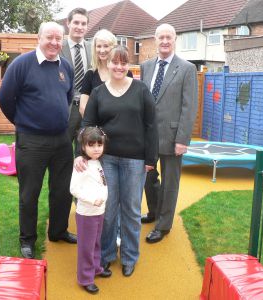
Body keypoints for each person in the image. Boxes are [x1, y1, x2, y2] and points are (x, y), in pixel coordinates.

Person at [75, 45, 158, 277]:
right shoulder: (99, 93)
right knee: (108, 210)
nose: (119, 67)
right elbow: (87, 125)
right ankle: (107, 255)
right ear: (107, 64)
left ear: (128, 64)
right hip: (107, 160)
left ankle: (130, 256)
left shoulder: (141, 90)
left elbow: (152, 125)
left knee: (131, 210)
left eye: (123, 63)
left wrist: (151, 158)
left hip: (135, 160)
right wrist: (80, 154)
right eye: (115, 62)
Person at [0, 21, 77, 260]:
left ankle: (58, 230)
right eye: (49, 37)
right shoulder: (22, 64)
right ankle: (27, 240)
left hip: (62, 140)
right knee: (29, 193)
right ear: (39, 38)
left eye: (58, 38)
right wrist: (23, 121)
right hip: (31, 141)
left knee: (63, 190)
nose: (54, 42)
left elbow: (68, 96)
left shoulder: (66, 67)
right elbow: (4, 99)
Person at [140, 23, 198, 243]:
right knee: (148, 177)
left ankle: (163, 225)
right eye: (161, 37)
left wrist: (182, 139)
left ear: (175, 40)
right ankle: (154, 211)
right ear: (155, 40)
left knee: (170, 182)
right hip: (147, 136)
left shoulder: (186, 68)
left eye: (169, 37)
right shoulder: (145, 67)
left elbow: (189, 106)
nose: (164, 41)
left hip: (173, 136)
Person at [70, 127, 111, 294]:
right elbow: (74, 188)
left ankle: (95, 268)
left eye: (99, 145)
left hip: (98, 212)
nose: (96, 148)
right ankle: (85, 278)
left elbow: (102, 184)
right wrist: (92, 200)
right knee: (86, 247)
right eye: (91, 145)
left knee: (95, 243)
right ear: (83, 147)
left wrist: (101, 201)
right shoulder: (82, 165)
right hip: (87, 213)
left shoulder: (97, 162)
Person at [79, 29, 133, 116]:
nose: (102, 50)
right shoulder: (90, 74)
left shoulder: (125, 73)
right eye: (99, 46)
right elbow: (83, 108)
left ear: (113, 47)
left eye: (106, 46)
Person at [61, 7, 92, 143]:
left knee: (86, 152)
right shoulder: (58, 47)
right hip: (65, 108)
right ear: (68, 23)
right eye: (76, 22)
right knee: (62, 152)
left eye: (83, 24)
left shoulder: (93, 48)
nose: (80, 27)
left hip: (88, 109)